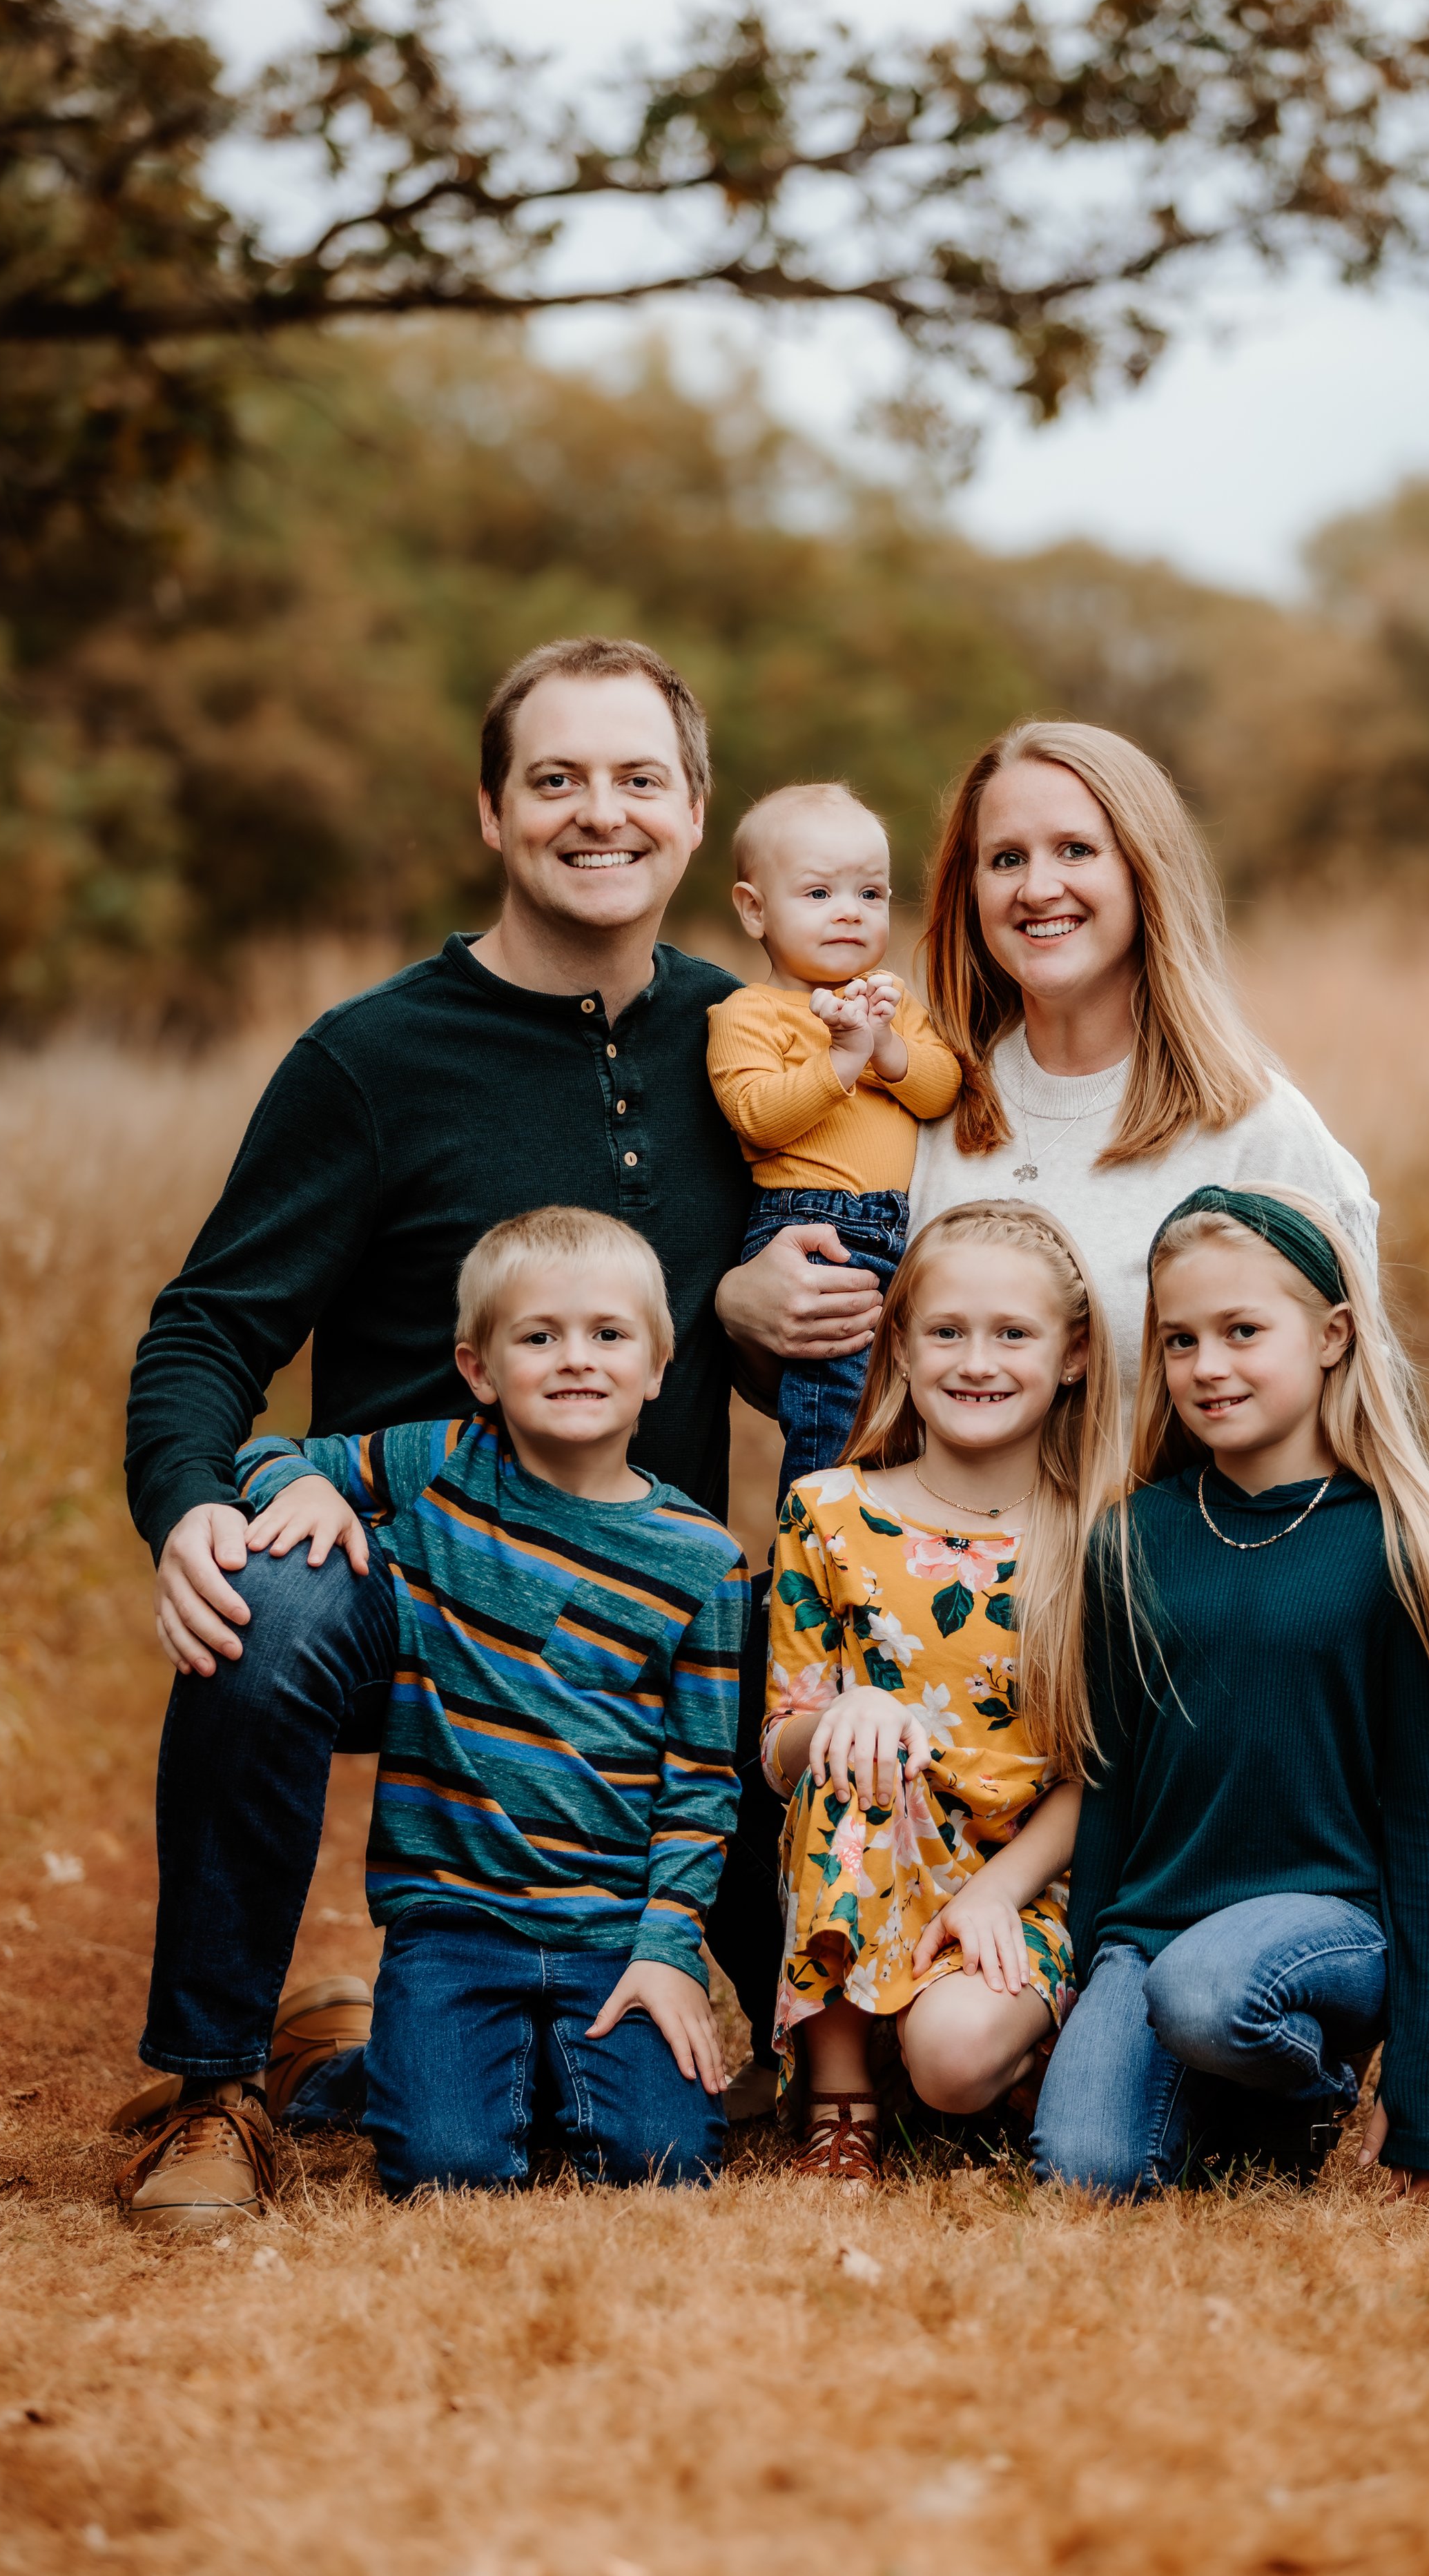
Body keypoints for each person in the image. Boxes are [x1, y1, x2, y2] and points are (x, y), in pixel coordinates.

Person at [115, 636, 883, 2227]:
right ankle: (215, 2085)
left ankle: (888, 2051)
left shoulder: (758, 1053)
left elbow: (813, 1339)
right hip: (413, 1576)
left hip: (662, 1605)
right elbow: (209, 1326)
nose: (599, 813)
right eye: (556, 778)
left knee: (815, 1764)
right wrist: (195, 1496)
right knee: (266, 1612)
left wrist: (754, 1318)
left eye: (637, 779)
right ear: (491, 809)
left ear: (693, 815)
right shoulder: (374, 1058)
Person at [115, 1209, 746, 2211]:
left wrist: (670, 1950)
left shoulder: (703, 1562)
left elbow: (703, 1781)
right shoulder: (444, 1466)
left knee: (660, 2165)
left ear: (661, 1365)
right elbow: (273, 1451)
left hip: (609, 1930)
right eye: (538, 1336)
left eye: (609, 1335)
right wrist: (307, 1492)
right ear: (481, 1367)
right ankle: (345, 2069)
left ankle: (396, 2061)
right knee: (446, 2168)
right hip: (455, 1923)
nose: (575, 1359)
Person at [1033, 1184, 1429, 2202]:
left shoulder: (1389, 1545)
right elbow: (1112, 1778)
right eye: (1180, 1340)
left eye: (1243, 1330)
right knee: (1085, 2169)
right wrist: (1088, 1964)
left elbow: (1427, 1821)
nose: (1208, 1366)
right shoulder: (1131, 1538)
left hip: (1327, 1926)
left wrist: (1420, 2088)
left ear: (1332, 1335)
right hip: (1154, 1928)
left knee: (1208, 1992)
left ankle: (1315, 2087)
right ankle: (1247, 2108)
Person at [762, 1200, 1121, 2188]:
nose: (978, 1361)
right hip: (874, 1850)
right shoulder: (828, 1512)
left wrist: (1001, 1893)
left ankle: (988, 2058)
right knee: (853, 1747)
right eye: (948, 1332)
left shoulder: (1103, 1535)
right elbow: (777, 1744)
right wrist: (836, 1716)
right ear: (903, 1349)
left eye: (1014, 1333)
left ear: (1074, 1353)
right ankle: (839, 2101)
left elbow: (1108, 1768)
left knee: (955, 2062)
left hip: (1026, 1876)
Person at [909, 721, 1377, 1403]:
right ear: (969, 887)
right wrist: (748, 1308)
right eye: (1006, 858)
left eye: (1075, 850)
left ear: (1144, 871)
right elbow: (840, 1379)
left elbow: (1350, 1421)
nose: (1037, 889)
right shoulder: (922, 1099)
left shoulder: (1257, 1134)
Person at [708, 783, 963, 1497]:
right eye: (817, 894)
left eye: (871, 894)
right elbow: (758, 1115)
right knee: (838, 1420)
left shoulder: (892, 1001)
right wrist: (839, 1061)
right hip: (817, 1232)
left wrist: (884, 1049)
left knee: (909, 1419)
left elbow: (940, 1089)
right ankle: (813, 1563)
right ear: (755, 909)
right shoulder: (747, 1014)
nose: (849, 910)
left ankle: (888, 1560)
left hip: (902, 1231)